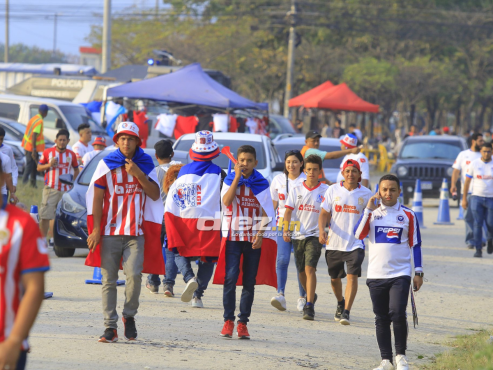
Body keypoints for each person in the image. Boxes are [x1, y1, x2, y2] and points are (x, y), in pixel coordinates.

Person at [86, 121, 164, 343]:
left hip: (135, 234)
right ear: (117, 141)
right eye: (122, 138)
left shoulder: (145, 163)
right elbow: (98, 199)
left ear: (137, 142)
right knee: (108, 280)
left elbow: (155, 195)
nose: (126, 142)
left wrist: (138, 174)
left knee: (134, 277)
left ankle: (129, 317)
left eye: (130, 138)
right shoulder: (106, 164)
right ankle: (110, 327)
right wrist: (96, 230)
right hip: (110, 233)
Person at [354, 174, 423, 370]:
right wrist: (368, 209)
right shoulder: (372, 213)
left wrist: (418, 272)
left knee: (397, 312)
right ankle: (386, 360)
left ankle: (401, 357)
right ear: (379, 191)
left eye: (392, 189)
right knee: (381, 317)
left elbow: (416, 245)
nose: (388, 193)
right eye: (384, 189)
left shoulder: (408, 215)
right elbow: (358, 234)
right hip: (376, 275)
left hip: (400, 273)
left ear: (399, 192)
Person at [216, 145, 277, 339]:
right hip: (233, 238)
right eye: (242, 160)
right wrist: (236, 178)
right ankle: (228, 321)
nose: (245, 164)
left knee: (249, 282)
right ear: (237, 162)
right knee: (230, 278)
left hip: (253, 240)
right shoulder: (229, 179)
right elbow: (226, 201)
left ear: (255, 163)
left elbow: (267, 211)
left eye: (249, 161)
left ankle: (243, 323)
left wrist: (260, 234)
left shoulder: (262, 182)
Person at [0, 159, 50, 370]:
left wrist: (14, 341)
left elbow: (34, 288)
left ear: (2, 179)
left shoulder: (22, 224)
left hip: (6, 344)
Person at [165, 131, 223, 308]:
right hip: (210, 221)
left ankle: (189, 277)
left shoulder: (183, 171)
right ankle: (197, 296)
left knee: (177, 250)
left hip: (185, 219)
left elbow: (175, 196)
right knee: (208, 257)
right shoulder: (219, 172)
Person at [319, 159, 372, 325]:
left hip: (355, 243)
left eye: (354, 171)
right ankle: (340, 302)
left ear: (359, 175)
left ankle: (347, 312)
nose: (350, 174)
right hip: (334, 242)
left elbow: (373, 216)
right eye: (347, 171)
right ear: (342, 173)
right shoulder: (332, 190)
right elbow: (323, 213)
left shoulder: (366, 193)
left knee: (352, 276)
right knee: (335, 279)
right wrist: (321, 230)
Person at [283, 155, 328, 320]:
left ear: (319, 171)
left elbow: (329, 212)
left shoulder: (325, 191)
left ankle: (309, 306)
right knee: (301, 271)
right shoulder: (296, 190)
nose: (311, 173)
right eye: (308, 170)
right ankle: (311, 295)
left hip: (315, 235)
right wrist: (286, 230)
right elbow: (287, 212)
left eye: (315, 170)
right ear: (304, 171)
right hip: (298, 235)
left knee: (310, 269)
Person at [269, 150, 307, 312]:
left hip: (302, 226)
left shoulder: (306, 180)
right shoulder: (277, 180)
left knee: (301, 263)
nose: (291, 165)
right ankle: (280, 294)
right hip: (282, 225)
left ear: (301, 163)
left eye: (295, 162)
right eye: (288, 162)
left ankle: (303, 297)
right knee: (282, 259)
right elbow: (273, 205)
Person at [145, 140, 182, 295]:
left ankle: (153, 282)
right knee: (171, 250)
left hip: (158, 217)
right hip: (175, 217)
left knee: (155, 249)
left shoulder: (154, 172)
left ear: (156, 156)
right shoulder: (179, 171)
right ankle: (169, 284)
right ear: (172, 154)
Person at [37, 129, 79, 239]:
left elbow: (76, 169)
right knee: (46, 216)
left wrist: (73, 184)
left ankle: (54, 239)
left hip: (66, 190)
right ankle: (42, 241)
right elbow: (38, 167)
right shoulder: (48, 152)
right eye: (60, 140)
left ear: (68, 141)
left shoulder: (71, 154)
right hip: (51, 189)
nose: (62, 142)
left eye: (64, 140)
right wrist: (49, 165)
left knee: (62, 217)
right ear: (56, 140)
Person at [451, 133, 484, 249]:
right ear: (473, 141)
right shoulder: (463, 155)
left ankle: (482, 238)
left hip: (481, 191)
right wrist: (453, 185)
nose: (482, 143)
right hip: (467, 191)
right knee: (468, 217)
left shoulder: (484, 154)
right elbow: (456, 171)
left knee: (482, 216)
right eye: (480, 141)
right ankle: (471, 240)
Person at [462, 143, 493, 258]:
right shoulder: (474, 164)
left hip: (491, 198)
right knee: (477, 223)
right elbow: (467, 182)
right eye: (484, 151)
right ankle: (478, 248)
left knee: (490, 223)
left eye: (488, 151)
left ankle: (490, 240)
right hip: (476, 197)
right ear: (481, 151)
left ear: (491, 151)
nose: (486, 154)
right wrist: (464, 198)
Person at [22, 104, 47, 188]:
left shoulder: (34, 118)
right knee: (29, 165)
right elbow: (34, 135)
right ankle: (24, 182)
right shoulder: (39, 121)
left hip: (28, 146)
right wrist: (34, 150)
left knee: (33, 166)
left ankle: (33, 184)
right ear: (44, 112)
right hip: (31, 147)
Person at [0, 127, 19, 198]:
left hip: (3, 188)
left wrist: (14, 184)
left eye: (2, 139)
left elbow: (14, 167)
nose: (0, 141)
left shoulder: (8, 150)